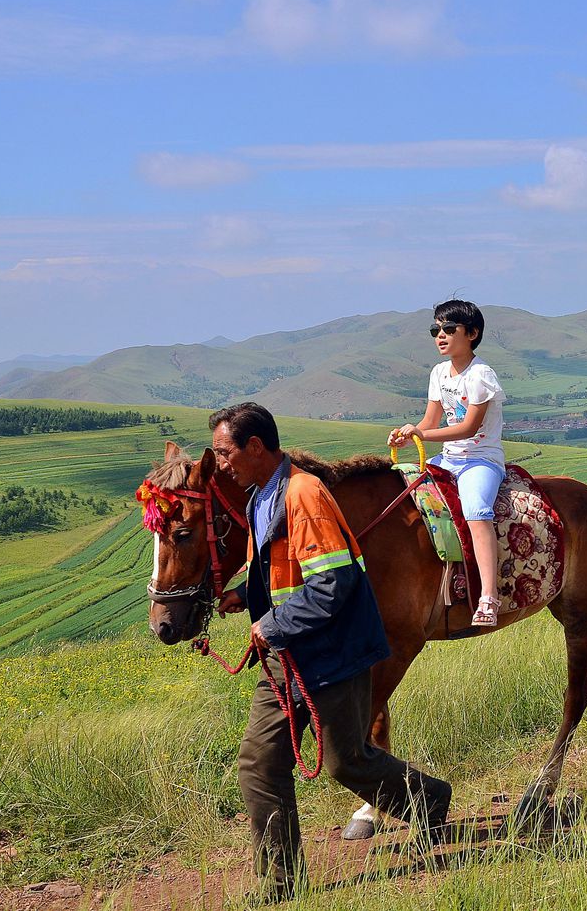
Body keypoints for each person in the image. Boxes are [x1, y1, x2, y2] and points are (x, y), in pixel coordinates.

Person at [210, 402, 452, 902]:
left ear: (256, 447)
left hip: (332, 652)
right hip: (288, 652)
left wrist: (272, 621)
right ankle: (281, 884)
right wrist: (246, 595)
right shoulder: (261, 495)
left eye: (225, 452)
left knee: (347, 763)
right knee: (258, 763)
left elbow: (333, 584)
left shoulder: (304, 494)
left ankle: (428, 798)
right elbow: (282, 571)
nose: (221, 463)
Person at [388, 300, 506, 627]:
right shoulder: (439, 373)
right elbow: (431, 419)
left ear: (472, 333)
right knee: (405, 497)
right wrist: (407, 435)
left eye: (449, 329)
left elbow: (469, 427)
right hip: (448, 459)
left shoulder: (481, 375)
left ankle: (488, 596)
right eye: (435, 330)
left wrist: (422, 435)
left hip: (480, 460)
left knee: (476, 511)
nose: (440, 335)